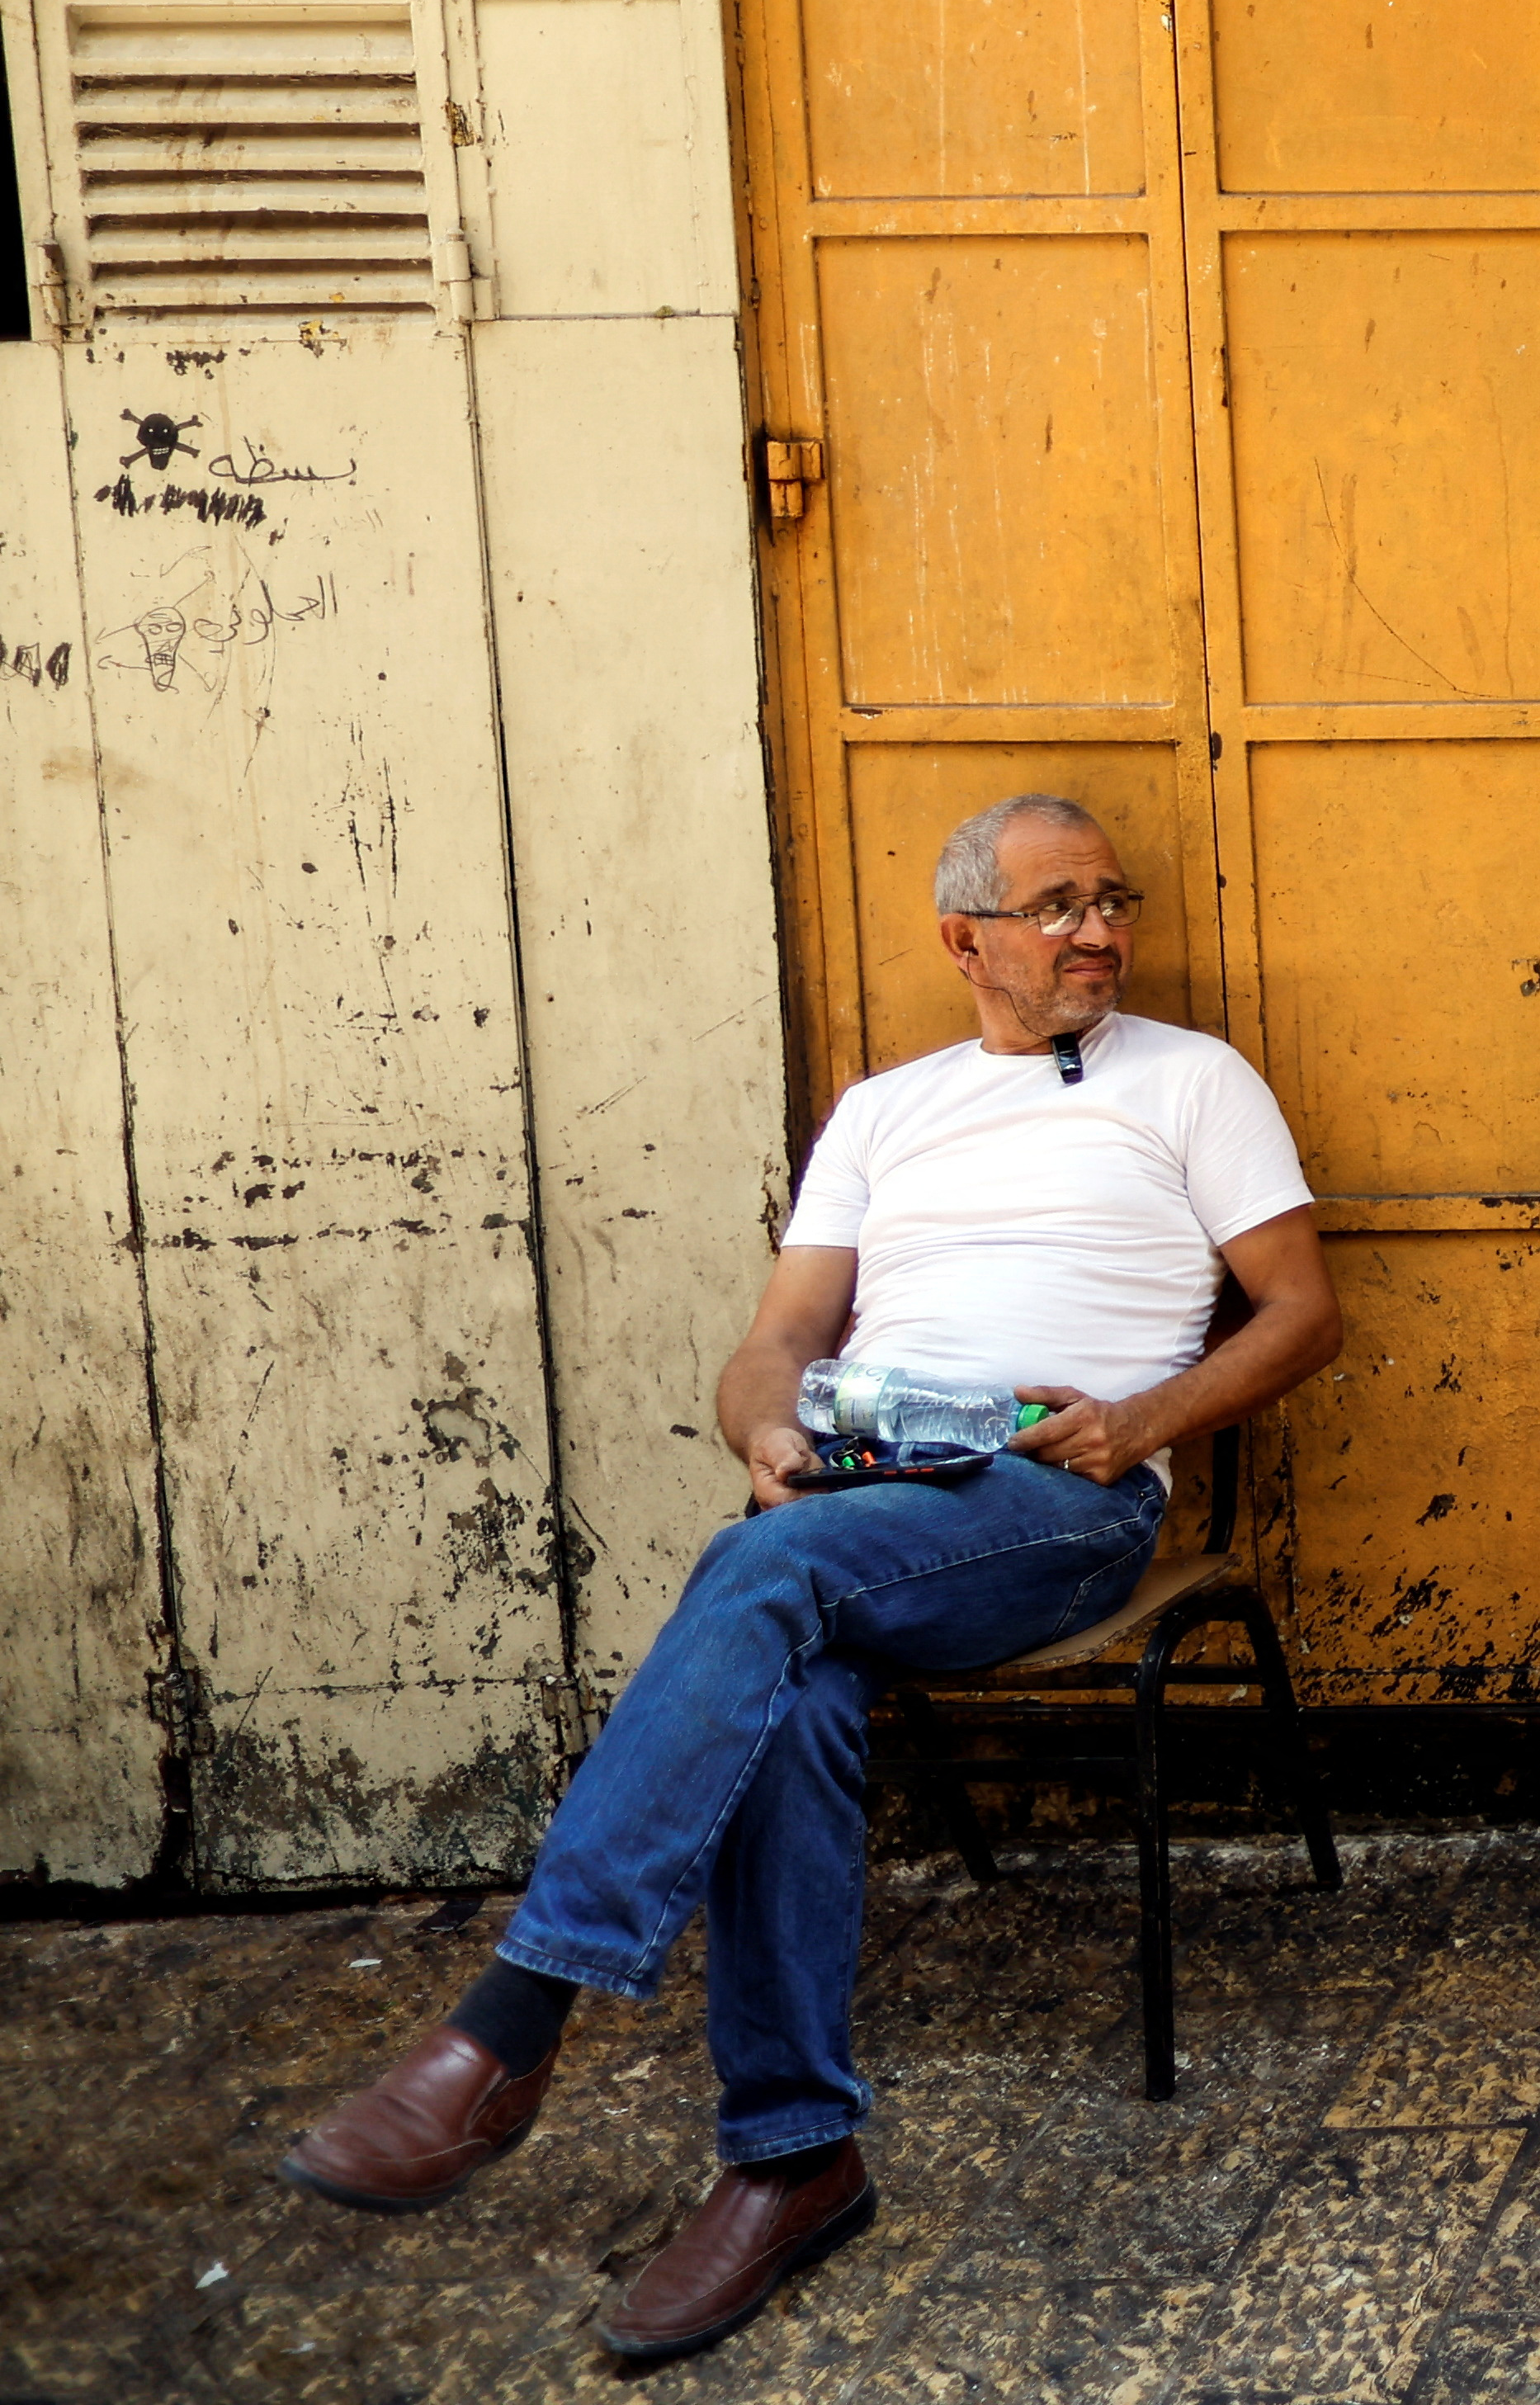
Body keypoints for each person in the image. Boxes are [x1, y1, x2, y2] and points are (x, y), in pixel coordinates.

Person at [276, 795, 1342, 2360]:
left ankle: (513, 2023)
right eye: (1057, 907)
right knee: (792, 1655)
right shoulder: (883, 1112)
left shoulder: (1193, 1083)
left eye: (1111, 902)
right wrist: (769, 1430)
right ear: (964, 939)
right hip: (869, 1493)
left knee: (761, 1582)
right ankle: (791, 2160)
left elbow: (1302, 1314)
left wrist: (1142, 1425)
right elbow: (779, 1340)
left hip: (1063, 1496)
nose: (1099, 932)